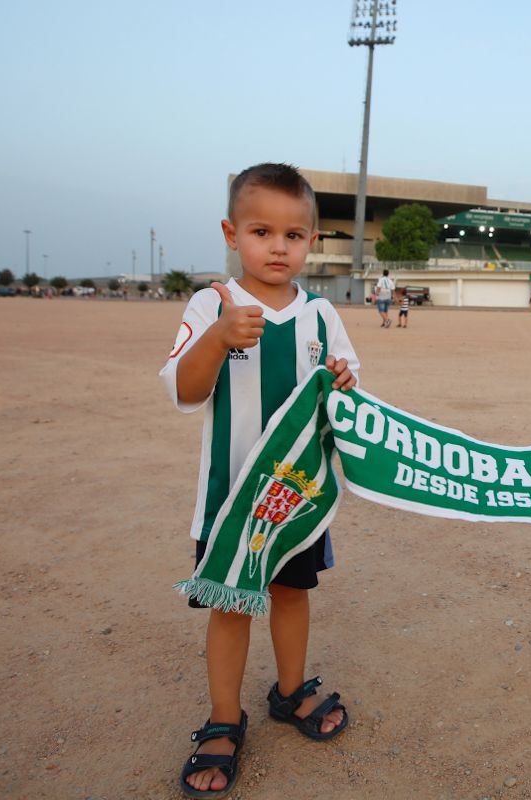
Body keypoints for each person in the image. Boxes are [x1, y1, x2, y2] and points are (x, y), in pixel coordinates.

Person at [161, 163, 360, 798]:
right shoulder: (212, 303)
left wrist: (345, 381)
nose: (279, 247)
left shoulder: (323, 314)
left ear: (311, 240)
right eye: (262, 231)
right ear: (231, 233)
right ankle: (223, 720)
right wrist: (219, 339)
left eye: (294, 235)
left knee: (293, 594)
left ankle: (290, 690)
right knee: (229, 602)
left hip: (296, 499)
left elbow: (349, 392)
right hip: (231, 500)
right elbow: (184, 392)